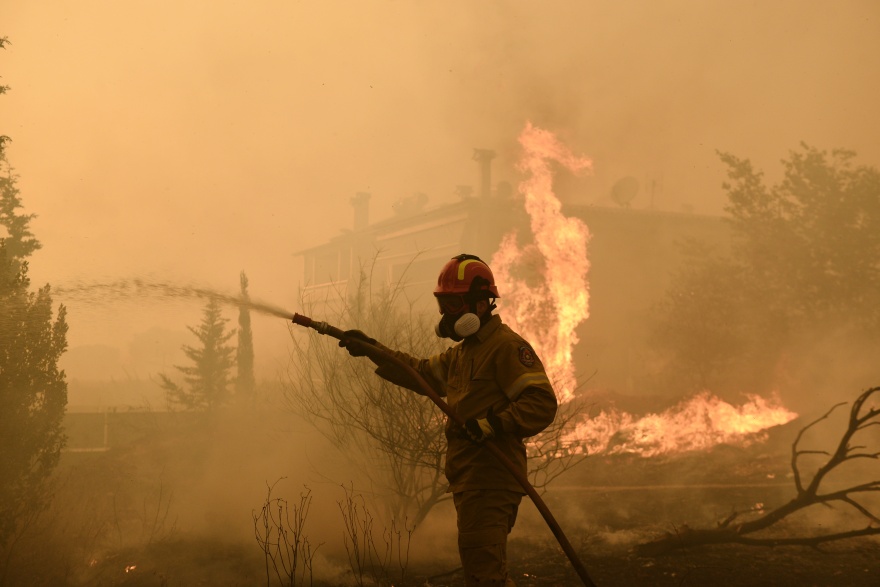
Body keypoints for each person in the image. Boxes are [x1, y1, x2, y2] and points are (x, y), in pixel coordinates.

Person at [339, 253, 558, 587]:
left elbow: (541, 403)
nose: (445, 315)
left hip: (492, 477)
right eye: (443, 305)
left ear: (481, 305)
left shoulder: (505, 348)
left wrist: (492, 424)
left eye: (453, 305)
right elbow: (423, 374)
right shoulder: (463, 352)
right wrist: (373, 349)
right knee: (482, 571)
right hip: (469, 477)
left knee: (484, 575)